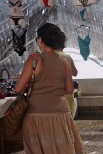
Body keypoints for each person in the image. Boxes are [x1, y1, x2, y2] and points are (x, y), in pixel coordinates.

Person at [15, 23, 84, 154]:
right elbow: (69, 90)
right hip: (61, 113)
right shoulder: (65, 61)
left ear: (40, 40)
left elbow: (18, 88)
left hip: (36, 113)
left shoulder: (34, 59)